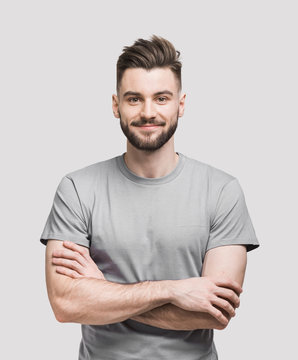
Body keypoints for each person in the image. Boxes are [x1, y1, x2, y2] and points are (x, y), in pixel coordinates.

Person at [40, 35, 259, 360]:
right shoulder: (77, 188)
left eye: (161, 98)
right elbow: (65, 305)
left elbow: (214, 314)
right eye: (133, 99)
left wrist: (102, 292)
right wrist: (172, 290)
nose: (147, 112)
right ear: (116, 105)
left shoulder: (221, 190)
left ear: (180, 105)